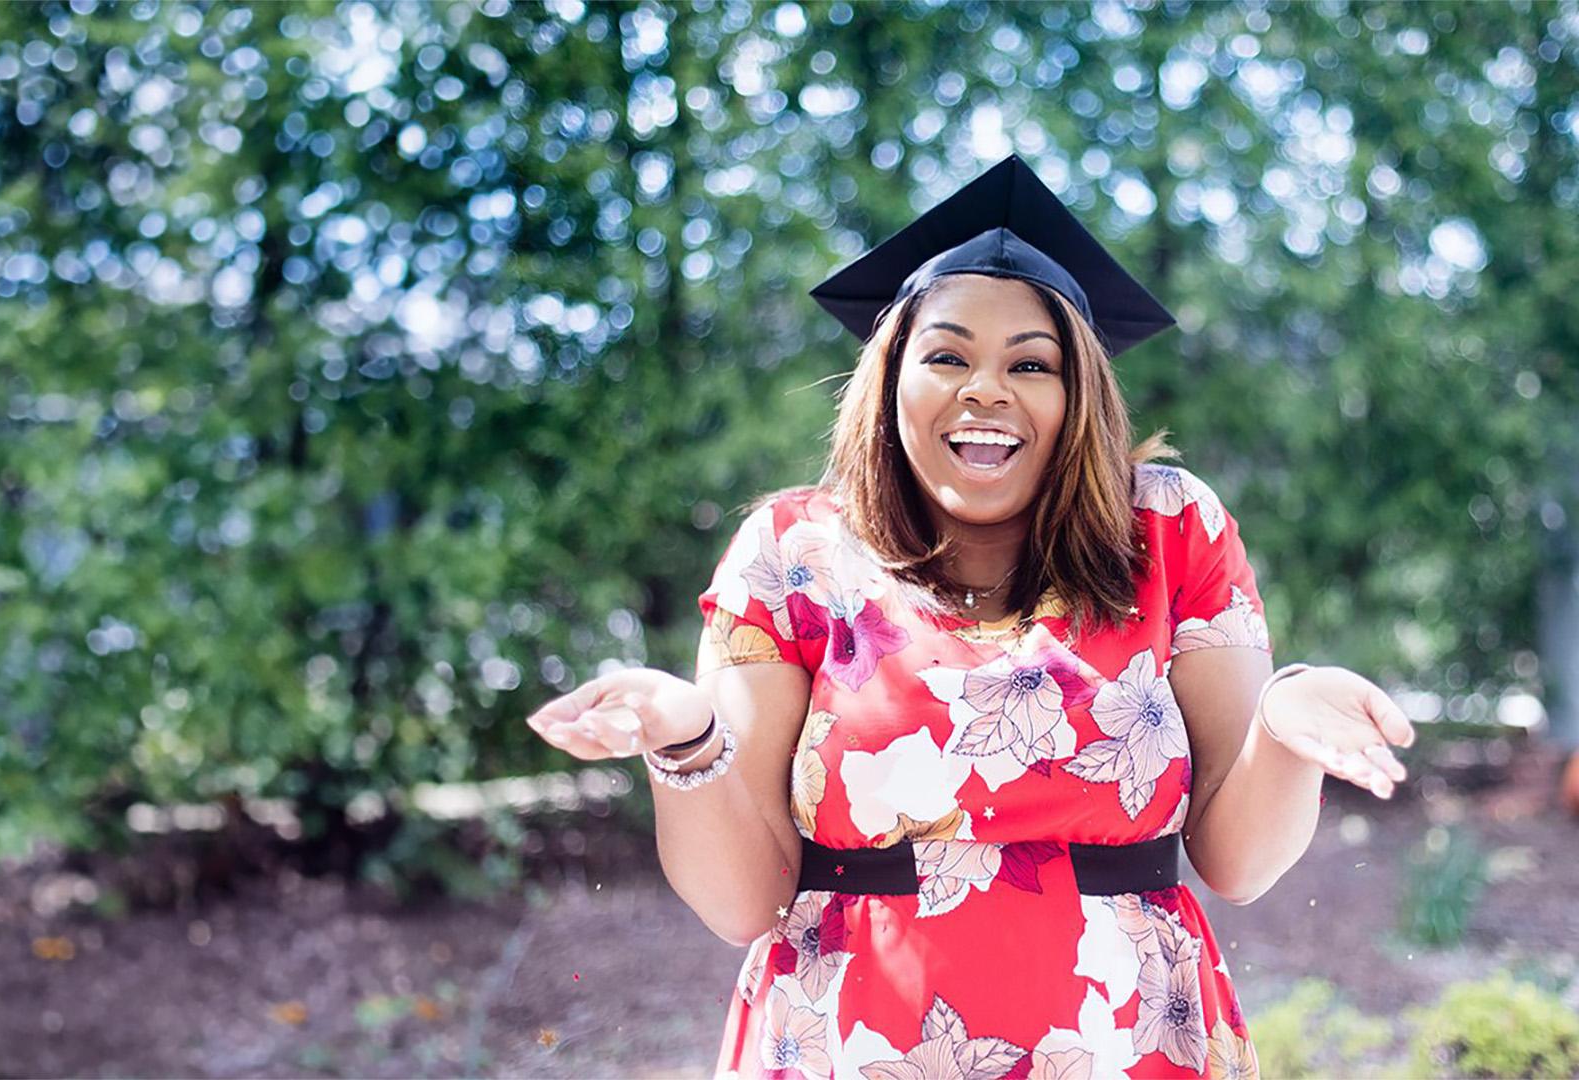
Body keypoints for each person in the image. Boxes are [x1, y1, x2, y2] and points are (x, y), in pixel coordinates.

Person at [523, 154, 1416, 1079]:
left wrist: (1285, 723)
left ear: (1079, 398)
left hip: (1126, 1043)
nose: (986, 388)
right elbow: (742, 900)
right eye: (947, 355)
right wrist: (686, 737)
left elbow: (1239, 863)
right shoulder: (792, 554)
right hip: (851, 1044)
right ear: (889, 379)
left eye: (1032, 363)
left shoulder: (1171, 530)